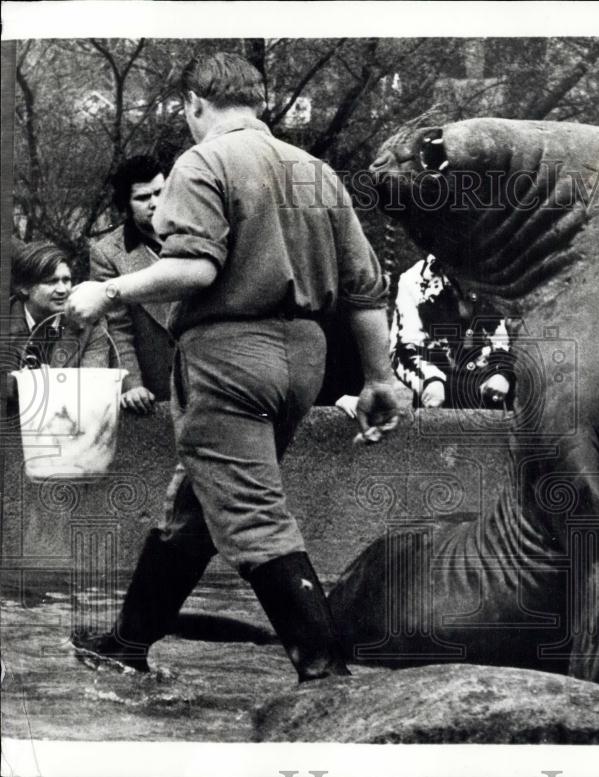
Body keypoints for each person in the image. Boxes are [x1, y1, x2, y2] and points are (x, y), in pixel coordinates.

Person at [66, 52, 400, 683]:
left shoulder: (203, 160)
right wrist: (380, 378)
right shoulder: (316, 172)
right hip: (304, 357)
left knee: (250, 512)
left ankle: (326, 674)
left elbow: (195, 267)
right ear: (261, 100)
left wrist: (108, 291)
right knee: (197, 500)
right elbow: (364, 292)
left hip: (229, 355)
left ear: (195, 103)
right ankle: (128, 642)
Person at [90, 155, 173, 415]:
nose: (154, 203)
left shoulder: (197, 233)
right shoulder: (107, 253)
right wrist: (132, 384)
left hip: (208, 379)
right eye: (142, 198)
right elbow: (117, 327)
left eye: (161, 192)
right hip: (154, 385)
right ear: (126, 203)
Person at [391, 254, 514, 409]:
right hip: (439, 392)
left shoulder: (498, 271)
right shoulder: (413, 279)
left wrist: (502, 372)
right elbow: (402, 349)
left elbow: (509, 334)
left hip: (493, 389)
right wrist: (429, 380)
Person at [3, 242, 109, 404]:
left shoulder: (89, 322)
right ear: (24, 287)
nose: (62, 290)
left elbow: (92, 385)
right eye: (51, 282)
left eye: (66, 280)